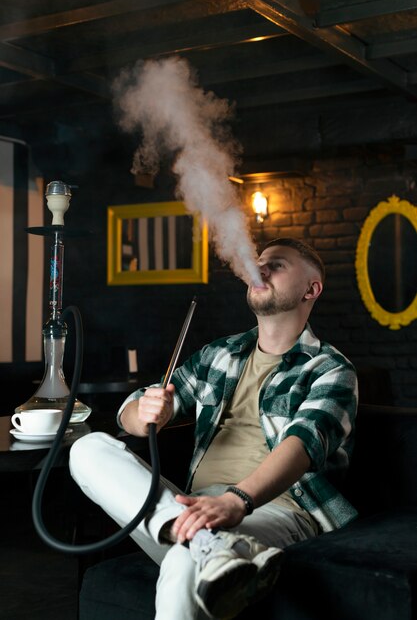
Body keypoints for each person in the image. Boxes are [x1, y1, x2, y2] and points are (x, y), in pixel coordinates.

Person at [70, 237, 358, 620]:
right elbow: (132, 414)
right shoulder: (219, 354)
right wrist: (146, 412)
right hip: (193, 507)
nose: (259, 269)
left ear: (312, 288)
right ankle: (208, 543)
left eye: (278, 264)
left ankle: (203, 544)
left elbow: (302, 446)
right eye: (258, 262)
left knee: (184, 562)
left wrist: (235, 501)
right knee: (86, 449)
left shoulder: (330, 369)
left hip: (279, 512)